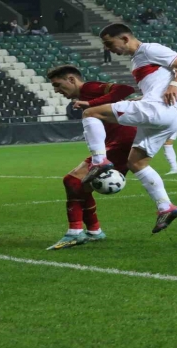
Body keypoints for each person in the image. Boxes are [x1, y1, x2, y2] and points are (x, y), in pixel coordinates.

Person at [80, 23, 177, 233]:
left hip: (159, 109)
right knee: (136, 163)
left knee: (90, 113)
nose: (107, 48)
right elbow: (158, 83)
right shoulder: (136, 61)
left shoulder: (150, 49)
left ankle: (99, 161)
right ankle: (165, 207)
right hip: (167, 115)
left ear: (125, 38)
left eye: (109, 43)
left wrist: (175, 85)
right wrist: (143, 97)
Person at [45, 65, 136, 250]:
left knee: (72, 181)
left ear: (71, 79)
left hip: (121, 143)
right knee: (81, 186)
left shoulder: (90, 88)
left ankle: (75, 233)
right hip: (117, 143)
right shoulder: (83, 96)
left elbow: (126, 89)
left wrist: (92, 104)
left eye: (57, 84)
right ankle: (94, 232)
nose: (56, 90)